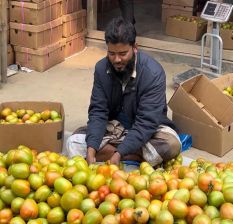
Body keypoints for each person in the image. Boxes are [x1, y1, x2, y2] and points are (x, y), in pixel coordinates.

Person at [66, 17, 181, 166]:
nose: (117, 60)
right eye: (112, 53)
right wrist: (92, 148)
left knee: (171, 145)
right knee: (74, 142)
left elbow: (146, 122)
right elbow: (98, 111)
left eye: (123, 53)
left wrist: (119, 153)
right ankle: (138, 157)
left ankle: (118, 154)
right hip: (114, 129)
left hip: (146, 131)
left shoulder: (153, 73)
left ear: (135, 48)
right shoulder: (101, 69)